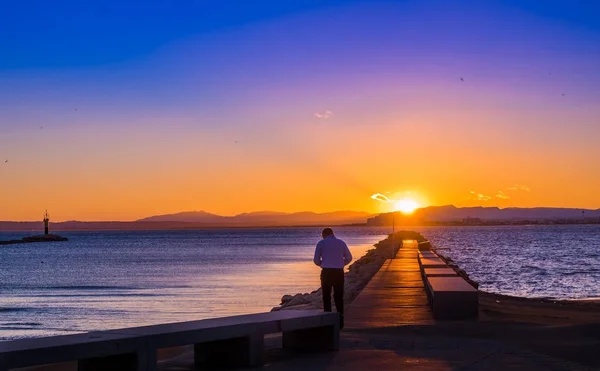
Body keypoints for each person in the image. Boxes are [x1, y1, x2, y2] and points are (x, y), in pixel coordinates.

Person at [313, 227, 353, 329]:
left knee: (326, 296)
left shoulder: (321, 243)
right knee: (339, 296)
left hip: (326, 272)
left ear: (324, 234)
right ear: (332, 234)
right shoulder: (341, 243)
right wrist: (341, 264)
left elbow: (316, 260)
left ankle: (328, 320)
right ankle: (340, 319)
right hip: (338, 272)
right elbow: (349, 257)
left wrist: (322, 264)